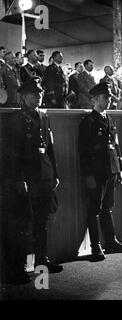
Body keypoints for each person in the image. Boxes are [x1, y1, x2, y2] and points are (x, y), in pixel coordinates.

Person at [3, 76, 63, 285]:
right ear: (24, 97)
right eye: (34, 94)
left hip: (44, 176)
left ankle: (41, 263)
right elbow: (12, 154)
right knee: (22, 224)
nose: (38, 97)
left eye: (40, 93)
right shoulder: (16, 120)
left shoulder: (44, 117)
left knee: (41, 222)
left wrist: (55, 174)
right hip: (26, 178)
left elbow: (50, 149)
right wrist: (18, 179)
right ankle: (18, 268)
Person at [78, 82, 122, 262]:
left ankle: (111, 241)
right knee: (94, 209)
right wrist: (89, 175)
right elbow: (83, 152)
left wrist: (120, 169)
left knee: (107, 208)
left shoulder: (109, 118)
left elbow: (115, 146)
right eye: (105, 97)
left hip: (111, 170)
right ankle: (95, 247)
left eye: (109, 97)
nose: (109, 100)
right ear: (95, 99)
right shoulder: (89, 121)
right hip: (96, 172)